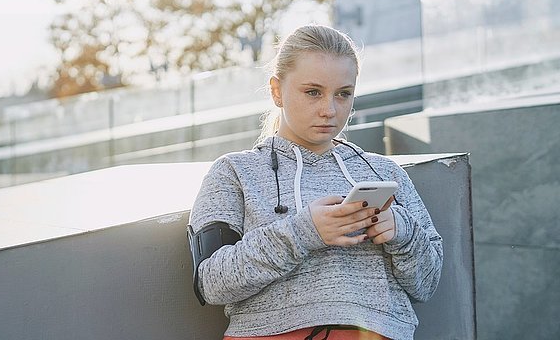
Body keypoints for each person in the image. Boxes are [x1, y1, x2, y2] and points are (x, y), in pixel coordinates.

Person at [187, 24, 443, 340]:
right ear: (277, 90)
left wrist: (402, 233)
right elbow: (210, 282)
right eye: (313, 92)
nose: (329, 110)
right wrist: (303, 232)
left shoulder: (385, 173)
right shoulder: (234, 172)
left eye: (343, 94)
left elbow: (428, 284)